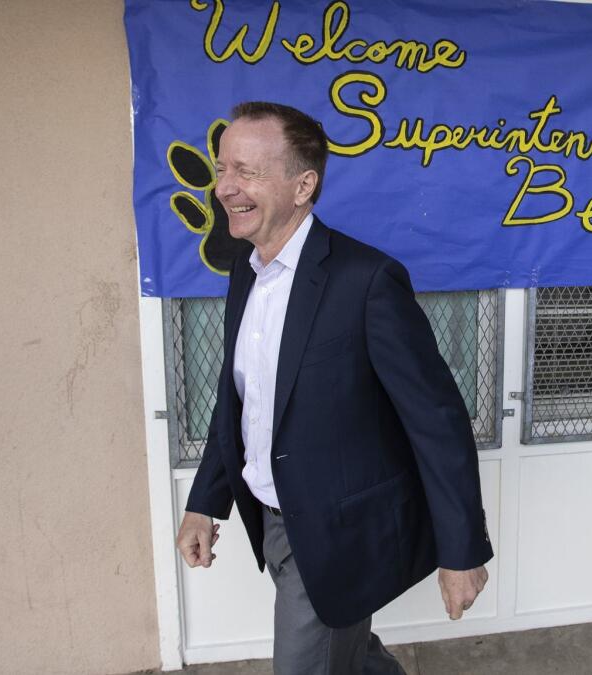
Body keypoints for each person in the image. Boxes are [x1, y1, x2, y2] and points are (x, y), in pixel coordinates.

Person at [175, 101, 493, 674]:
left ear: (303, 185)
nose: (225, 187)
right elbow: (243, 399)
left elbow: (436, 418)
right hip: (271, 520)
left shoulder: (365, 280)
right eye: (223, 169)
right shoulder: (244, 274)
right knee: (345, 652)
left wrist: (463, 551)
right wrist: (205, 503)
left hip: (335, 531)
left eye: (247, 171)